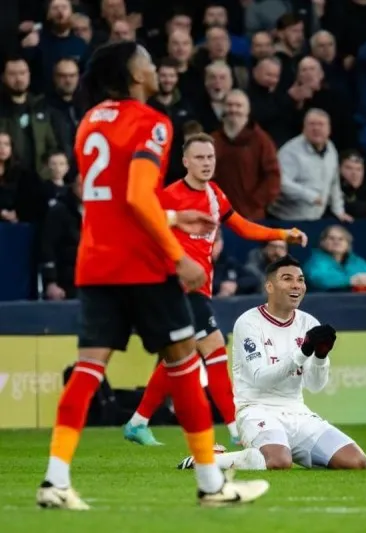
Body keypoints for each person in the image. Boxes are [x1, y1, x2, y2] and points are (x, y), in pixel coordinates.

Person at [35, 42, 269, 510]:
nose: (153, 63)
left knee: (87, 370)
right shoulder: (152, 123)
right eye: (146, 57)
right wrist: (176, 252)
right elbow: (141, 197)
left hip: (96, 262)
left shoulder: (89, 122)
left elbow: (118, 200)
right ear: (134, 74)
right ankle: (211, 486)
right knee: (185, 365)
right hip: (143, 264)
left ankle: (55, 481)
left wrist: (177, 220)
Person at [123, 132, 308, 447]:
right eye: (199, 157)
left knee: (180, 357)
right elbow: (140, 229)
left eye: (210, 157)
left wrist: (280, 233)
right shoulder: (169, 197)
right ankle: (237, 429)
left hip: (200, 287)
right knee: (214, 347)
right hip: (178, 285)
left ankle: (138, 422)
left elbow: (243, 226)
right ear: (185, 161)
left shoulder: (215, 195)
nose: (206, 163)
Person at [176, 255, 366, 471]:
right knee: (278, 461)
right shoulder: (249, 322)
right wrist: (303, 351)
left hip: (297, 411)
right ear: (269, 286)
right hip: (256, 410)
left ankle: (261, 453)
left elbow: (315, 386)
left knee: (356, 462)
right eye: (287, 279)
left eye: (300, 279)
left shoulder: (308, 322)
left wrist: (320, 357)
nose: (296, 285)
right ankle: (208, 459)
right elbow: (260, 379)